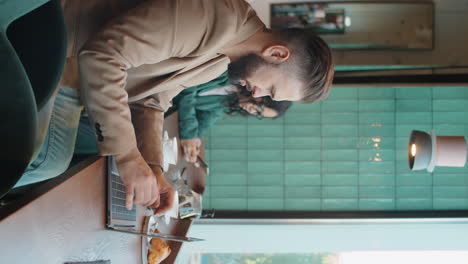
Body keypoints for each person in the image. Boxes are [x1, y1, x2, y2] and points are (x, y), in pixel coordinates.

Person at [16, 0, 334, 214]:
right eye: (272, 89)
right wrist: (127, 156)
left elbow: (153, 101)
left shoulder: (220, 61)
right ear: (277, 54)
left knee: (55, 162)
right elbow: (102, 55)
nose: (260, 95)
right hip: (54, 45)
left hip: (75, 74)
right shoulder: (215, 16)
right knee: (47, 161)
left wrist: (153, 167)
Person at [164, 71, 292, 163]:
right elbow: (188, 86)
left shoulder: (233, 99)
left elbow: (210, 114)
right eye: (259, 109)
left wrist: (196, 139)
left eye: (258, 115)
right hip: (163, 85)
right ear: (263, 95)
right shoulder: (230, 74)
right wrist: (189, 134)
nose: (253, 112)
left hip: (163, 107)